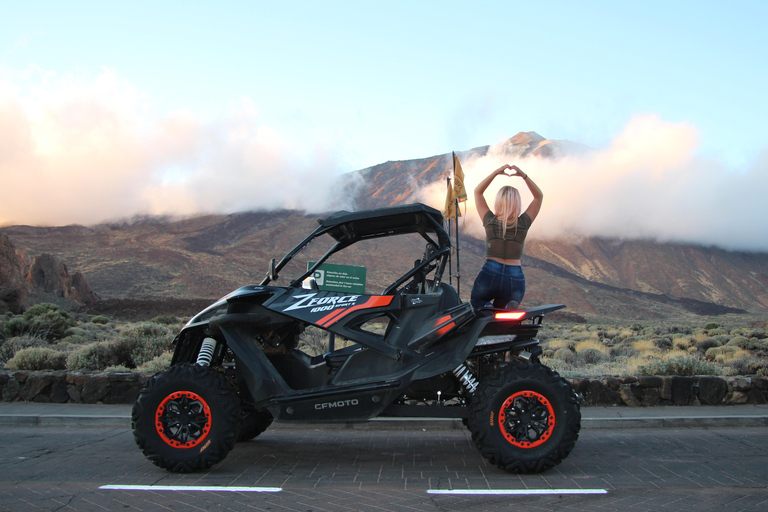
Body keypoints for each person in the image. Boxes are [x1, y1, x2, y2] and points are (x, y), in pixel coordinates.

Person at [470, 164, 543, 309]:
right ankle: (504, 314)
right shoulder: (523, 223)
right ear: (518, 203)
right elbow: (538, 196)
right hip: (515, 276)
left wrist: (496, 172)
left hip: (491, 271)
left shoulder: (490, 220)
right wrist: (524, 175)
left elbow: (478, 192)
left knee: (477, 303)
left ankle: (487, 309)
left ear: (499, 202)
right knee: (505, 316)